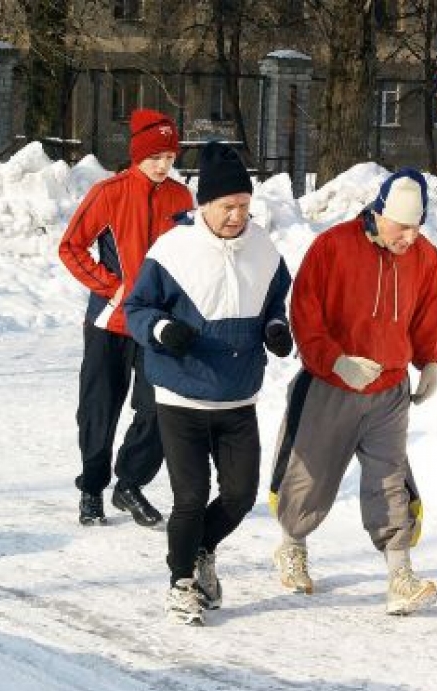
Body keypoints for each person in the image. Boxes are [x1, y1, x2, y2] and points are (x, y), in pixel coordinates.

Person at [124, 141, 293, 625]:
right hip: (181, 395)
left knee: (240, 495)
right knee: (191, 497)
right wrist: (161, 329)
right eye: (228, 207)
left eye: (244, 205)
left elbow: (274, 302)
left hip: (238, 395)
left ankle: (202, 549)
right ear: (204, 205)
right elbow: (137, 307)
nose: (238, 216)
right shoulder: (172, 250)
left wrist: (275, 328)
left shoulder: (264, 249)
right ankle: (180, 583)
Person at [268, 168, 437, 616]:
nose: (410, 236)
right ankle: (292, 544)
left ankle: (400, 573)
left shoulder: (424, 256)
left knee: (389, 477)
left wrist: (430, 360)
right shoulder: (333, 247)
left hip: (389, 390)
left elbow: (430, 312)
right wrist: (335, 361)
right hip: (331, 385)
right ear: (379, 213)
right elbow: (306, 312)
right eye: (402, 226)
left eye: (417, 226)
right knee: (311, 475)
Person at [58, 109, 194, 527]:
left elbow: (190, 257)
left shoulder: (181, 198)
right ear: (138, 155)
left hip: (156, 324)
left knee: (159, 407)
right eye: (156, 157)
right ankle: (92, 489)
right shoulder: (108, 193)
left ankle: (130, 484)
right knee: (99, 409)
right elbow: (70, 247)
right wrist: (111, 286)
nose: (163, 165)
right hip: (110, 322)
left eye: (170, 157)